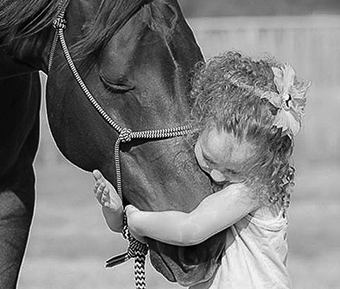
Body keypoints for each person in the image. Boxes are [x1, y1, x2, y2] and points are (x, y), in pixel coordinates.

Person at [93, 51, 310, 288]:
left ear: (262, 165)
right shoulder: (222, 182)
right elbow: (148, 231)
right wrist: (118, 213)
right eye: (209, 158)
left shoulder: (252, 190)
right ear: (199, 123)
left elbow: (190, 229)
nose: (217, 175)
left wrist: (136, 219)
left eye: (233, 171)